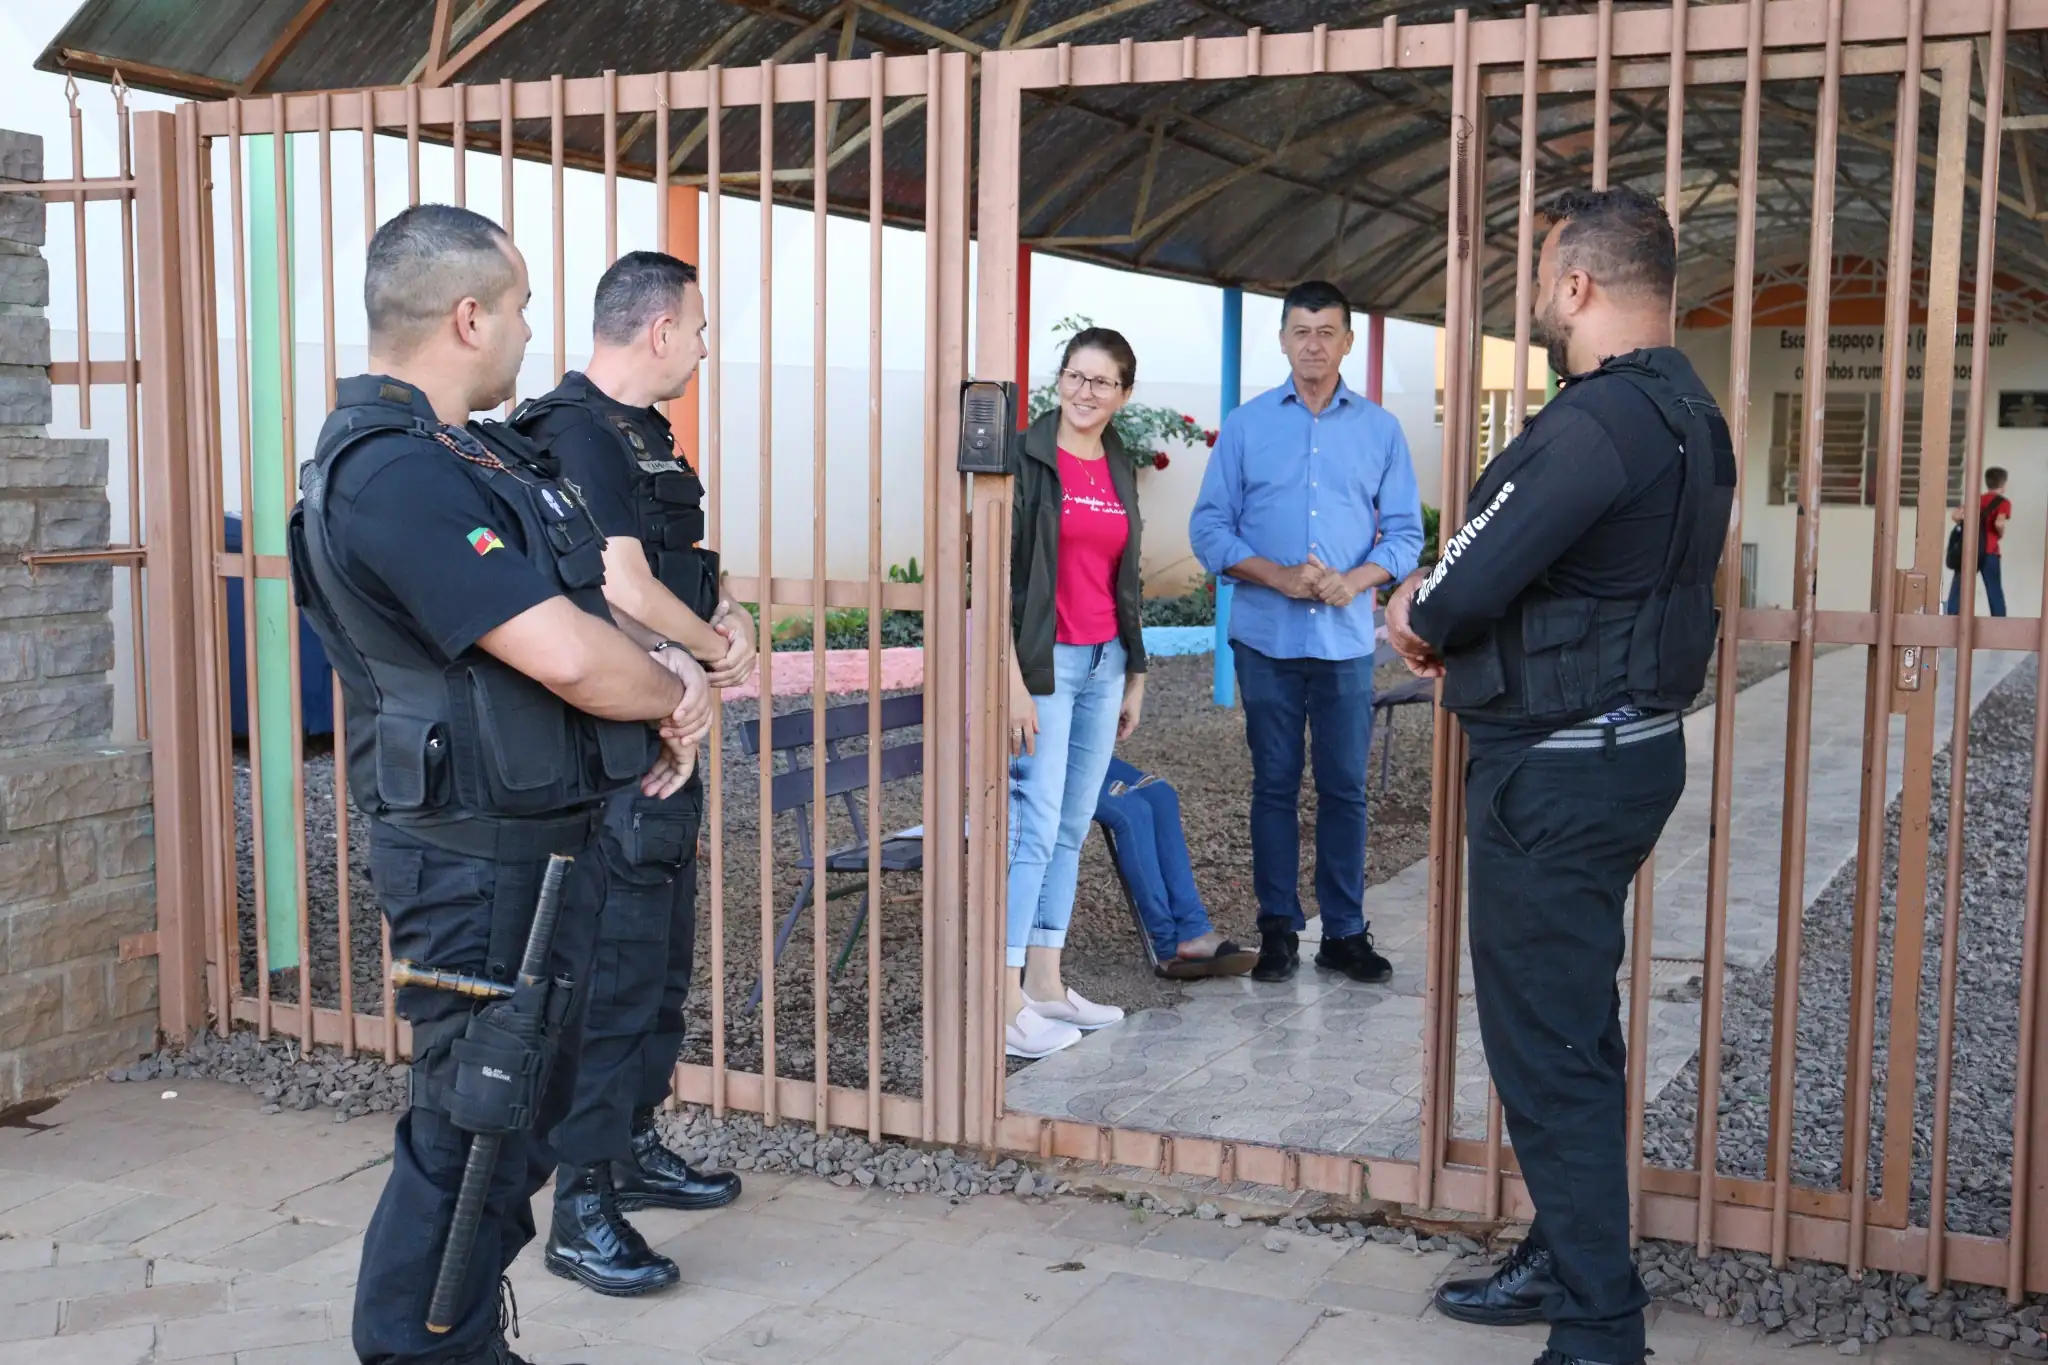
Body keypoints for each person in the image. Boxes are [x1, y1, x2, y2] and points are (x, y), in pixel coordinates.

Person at [290, 205, 713, 1365]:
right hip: (471, 864)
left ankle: (463, 1337)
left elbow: (582, 608)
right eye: (521, 309)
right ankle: (423, 1348)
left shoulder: (467, 455)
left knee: (513, 1120)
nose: (531, 333)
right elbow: (568, 655)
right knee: (473, 1125)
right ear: (468, 317)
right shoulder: (392, 476)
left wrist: (662, 674)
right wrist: (671, 693)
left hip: (529, 846)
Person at [1385, 186, 1734, 1365]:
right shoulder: (1690, 413)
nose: (1539, 296)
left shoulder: (1593, 423)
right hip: (1626, 757)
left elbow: (1460, 581)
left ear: (1577, 285)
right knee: (1571, 1028)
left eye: (1544, 276)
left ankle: (1597, 1328)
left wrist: (1417, 608)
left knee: (1546, 1046)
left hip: (1555, 772)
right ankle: (1563, 1250)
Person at [511, 252, 756, 1298]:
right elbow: (616, 582)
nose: (701, 346)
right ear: (658, 330)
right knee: (611, 972)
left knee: (656, 964)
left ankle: (630, 1149)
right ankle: (580, 1208)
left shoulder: (643, 432)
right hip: (616, 749)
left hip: (663, 733)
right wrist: (709, 648)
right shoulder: (574, 431)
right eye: (696, 328)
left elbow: (678, 560)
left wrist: (726, 616)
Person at [1189, 280, 1424, 987]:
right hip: (1266, 640)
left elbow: (1405, 533)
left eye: (1327, 332)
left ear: (1347, 341)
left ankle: (1344, 933)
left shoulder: (1381, 430)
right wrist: (1279, 576)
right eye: (1301, 331)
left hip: (1346, 644)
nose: (1313, 344)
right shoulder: (1246, 426)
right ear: (1284, 340)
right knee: (1275, 784)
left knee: (1346, 788)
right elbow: (1209, 528)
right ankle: (1279, 931)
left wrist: (1354, 580)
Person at [1005, 326, 1149, 1059]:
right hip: (1046, 663)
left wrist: (1135, 672)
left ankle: (1045, 982)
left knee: (1070, 822)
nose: (1084, 392)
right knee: (1032, 822)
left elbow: (1127, 574)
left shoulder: (1117, 461)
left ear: (1123, 394)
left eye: (1101, 382)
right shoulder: (1026, 457)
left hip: (1104, 661)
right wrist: (1011, 677)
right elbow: (996, 572)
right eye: (1074, 376)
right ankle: (1001, 998)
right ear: (1059, 379)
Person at [1095, 757, 1257, 978]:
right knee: (1133, 811)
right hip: (1048, 758)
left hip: (1076, 744)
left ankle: (1193, 929)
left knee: (1162, 796)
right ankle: (1167, 942)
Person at [1947, 466, 2012, 616]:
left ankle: (1952, 617)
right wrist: (2000, 533)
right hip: (1990, 551)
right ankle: (1998, 622)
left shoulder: (1976, 500)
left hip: (1970, 550)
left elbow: (1955, 515)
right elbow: (1999, 523)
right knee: (1994, 589)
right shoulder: (2003, 502)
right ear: (2003, 485)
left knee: (1959, 587)